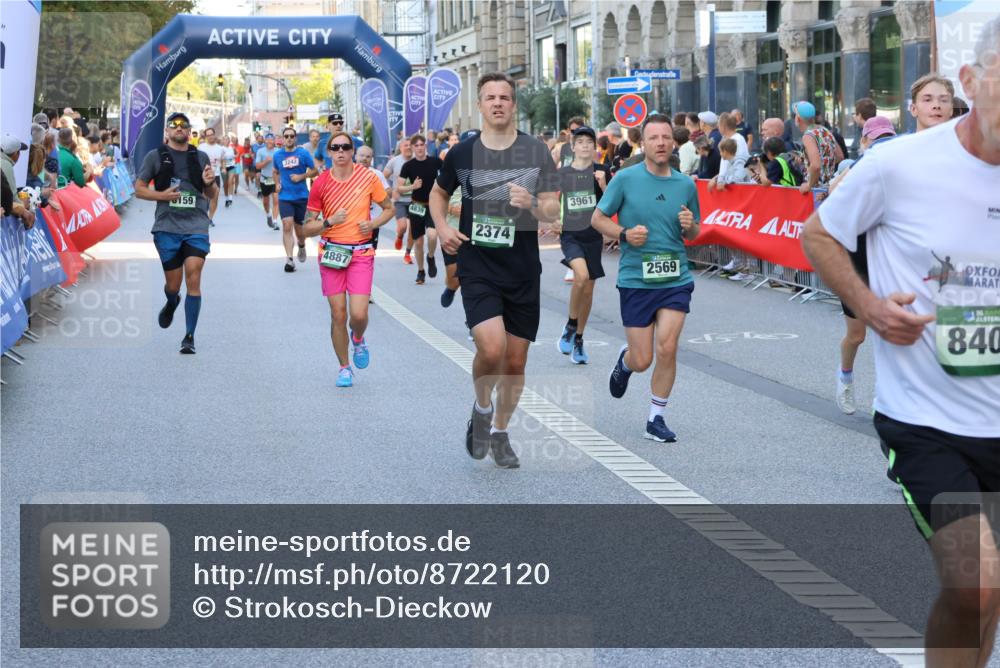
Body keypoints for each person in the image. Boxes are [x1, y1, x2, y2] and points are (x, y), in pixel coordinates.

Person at [802, 18, 1000, 668]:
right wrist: (869, 306)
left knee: (986, 598)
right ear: (971, 81)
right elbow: (819, 234)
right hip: (928, 423)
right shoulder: (900, 164)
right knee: (977, 584)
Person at [429, 72, 560, 469]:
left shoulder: (536, 150)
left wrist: (533, 204)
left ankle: (501, 432)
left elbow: (554, 209)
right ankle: (482, 408)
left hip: (522, 268)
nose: (498, 103)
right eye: (490, 97)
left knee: (516, 363)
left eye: (505, 97)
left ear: (514, 104)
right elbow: (438, 193)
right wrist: (443, 227)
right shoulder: (463, 153)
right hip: (478, 263)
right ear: (481, 105)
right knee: (492, 348)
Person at [592, 114, 701, 443]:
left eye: (666, 137)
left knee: (668, 347)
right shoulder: (625, 179)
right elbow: (598, 218)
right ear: (644, 142)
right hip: (636, 279)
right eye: (654, 138)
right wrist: (624, 234)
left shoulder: (685, 184)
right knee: (643, 358)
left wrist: (688, 225)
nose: (662, 143)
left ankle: (656, 417)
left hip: (675, 277)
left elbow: (695, 231)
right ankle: (626, 364)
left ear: (673, 141)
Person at [300, 132, 393, 388]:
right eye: (335, 147)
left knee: (359, 314)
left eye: (345, 147)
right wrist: (329, 222)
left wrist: (372, 224)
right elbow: (306, 228)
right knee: (338, 314)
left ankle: (359, 338)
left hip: (361, 252)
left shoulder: (368, 178)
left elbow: (389, 209)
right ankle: (344, 367)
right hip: (331, 253)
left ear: (353, 151)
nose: (340, 151)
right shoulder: (320, 183)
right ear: (329, 152)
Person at [133, 112, 217, 354]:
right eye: (174, 125)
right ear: (167, 131)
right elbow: (139, 190)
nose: (179, 128)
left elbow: (211, 195)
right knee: (173, 284)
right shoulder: (155, 156)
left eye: (183, 126)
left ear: (190, 131)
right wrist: (163, 196)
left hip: (196, 226)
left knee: (194, 273)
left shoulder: (200, 157)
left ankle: (189, 336)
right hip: (167, 227)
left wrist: (209, 183)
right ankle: (172, 301)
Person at [830, 115, 897, 415]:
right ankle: (845, 377)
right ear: (866, 141)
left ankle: (884, 398)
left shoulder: (901, 170)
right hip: (856, 264)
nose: (884, 145)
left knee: (891, 335)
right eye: (878, 139)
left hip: (888, 263)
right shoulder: (856, 168)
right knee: (857, 335)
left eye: (888, 138)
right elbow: (832, 198)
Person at [554, 126, 609, 364]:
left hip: (594, 236)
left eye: (590, 142)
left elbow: (613, 204)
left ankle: (578, 338)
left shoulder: (601, 171)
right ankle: (570, 324)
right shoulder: (563, 172)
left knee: (588, 291)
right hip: (571, 235)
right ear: (573, 147)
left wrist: (605, 185)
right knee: (581, 277)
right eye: (581, 142)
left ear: (594, 147)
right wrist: (553, 217)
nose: (585, 145)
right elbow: (550, 200)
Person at [397, 134, 443, 284]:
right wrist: (412, 186)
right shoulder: (408, 166)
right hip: (416, 205)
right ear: (412, 148)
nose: (419, 148)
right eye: (415, 145)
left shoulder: (436, 162)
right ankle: (421, 271)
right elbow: (399, 188)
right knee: (418, 242)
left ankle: (430, 256)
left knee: (432, 235)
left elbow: (448, 177)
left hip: (433, 204)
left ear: (425, 146)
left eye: (421, 144)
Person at [273, 126, 319, 272]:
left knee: (300, 231)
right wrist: (277, 183)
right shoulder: (277, 155)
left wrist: (301, 176)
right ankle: (289, 260)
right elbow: (275, 171)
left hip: (301, 196)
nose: (289, 139)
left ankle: (301, 245)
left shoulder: (303, 153)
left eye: (291, 136)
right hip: (285, 197)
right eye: (286, 136)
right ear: (283, 138)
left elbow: (314, 171)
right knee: (287, 225)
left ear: (295, 138)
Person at [792, 101, 843, 194]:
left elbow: (816, 166)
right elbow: (840, 156)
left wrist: (808, 185)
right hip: (829, 187)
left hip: (815, 190)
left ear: (798, 119)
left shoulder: (808, 136)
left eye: (795, 115)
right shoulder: (824, 130)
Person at [383, 138, 414, 259]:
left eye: (410, 145)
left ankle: (407, 253)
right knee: (402, 227)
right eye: (405, 145)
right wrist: (391, 189)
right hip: (400, 200)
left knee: (414, 228)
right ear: (400, 148)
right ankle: (400, 236)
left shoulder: (419, 160)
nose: (408, 147)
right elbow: (382, 177)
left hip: (416, 200)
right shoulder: (394, 161)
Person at [197, 128, 225, 224]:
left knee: (215, 197)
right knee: (204, 197)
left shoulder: (220, 148)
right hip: (203, 175)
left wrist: (224, 168)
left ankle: (210, 218)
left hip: (215, 175)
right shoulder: (201, 147)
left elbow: (222, 160)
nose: (210, 137)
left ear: (214, 134)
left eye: (211, 134)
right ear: (205, 137)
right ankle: (204, 215)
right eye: (208, 135)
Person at [255, 133, 280, 230]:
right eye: (268, 140)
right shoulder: (260, 152)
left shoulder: (278, 151)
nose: (270, 141)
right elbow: (257, 166)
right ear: (265, 141)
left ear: (274, 141)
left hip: (275, 179)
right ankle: (269, 215)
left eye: (271, 140)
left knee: (276, 199)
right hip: (265, 179)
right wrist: (265, 161)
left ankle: (275, 222)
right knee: (266, 202)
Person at [222, 136, 238, 207]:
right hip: (224, 167)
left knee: (230, 181)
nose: (226, 140)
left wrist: (235, 153)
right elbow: (221, 159)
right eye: (225, 139)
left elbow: (236, 155)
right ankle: (226, 198)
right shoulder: (221, 149)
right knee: (225, 184)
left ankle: (230, 198)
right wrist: (223, 168)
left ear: (229, 141)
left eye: (227, 139)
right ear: (223, 141)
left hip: (232, 166)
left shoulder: (231, 148)